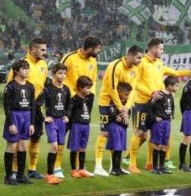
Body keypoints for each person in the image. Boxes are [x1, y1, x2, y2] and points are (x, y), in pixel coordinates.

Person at [129, 38, 191, 173]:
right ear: (153, 49)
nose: (162, 51)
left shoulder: (159, 63)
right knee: (140, 132)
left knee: (154, 133)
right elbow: (135, 83)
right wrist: (150, 93)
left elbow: (176, 73)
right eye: (161, 49)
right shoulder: (141, 63)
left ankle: (150, 163)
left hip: (157, 104)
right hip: (142, 102)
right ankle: (132, 163)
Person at [95, 45, 143, 176]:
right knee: (105, 133)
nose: (140, 60)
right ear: (130, 55)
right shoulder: (115, 66)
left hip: (124, 106)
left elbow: (132, 90)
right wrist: (121, 107)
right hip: (107, 103)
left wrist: (126, 108)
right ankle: (98, 166)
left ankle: (115, 167)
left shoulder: (135, 69)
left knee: (118, 134)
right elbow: (112, 89)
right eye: (139, 57)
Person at [5, 38, 48, 179]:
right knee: (18, 141)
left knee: (35, 137)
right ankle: (15, 171)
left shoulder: (43, 64)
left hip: (35, 108)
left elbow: (42, 85)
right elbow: (11, 85)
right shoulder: (22, 63)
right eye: (42, 49)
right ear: (33, 49)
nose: (44, 52)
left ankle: (32, 169)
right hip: (20, 109)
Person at [60, 37, 101, 173]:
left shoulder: (93, 61)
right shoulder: (70, 58)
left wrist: (91, 96)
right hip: (69, 100)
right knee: (62, 133)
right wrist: (72, 95)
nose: (98, 51)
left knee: (81, 135)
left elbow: (93, 80)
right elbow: (60, 75)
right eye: (97, 48)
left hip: (86, 100)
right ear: (90, 48)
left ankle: (79, 168)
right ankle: (56, 167)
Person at [2, 59, 36, 185]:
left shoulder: (30, 86)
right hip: (15, 116)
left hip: (26, 116)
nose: (27, 71)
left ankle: (21, 175)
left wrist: (31, 123)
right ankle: (8, 176)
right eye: (24, 68)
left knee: (23, 146)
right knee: (12, 145)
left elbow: (33, 105)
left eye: (28, 68)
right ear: (16, 70)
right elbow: (7, 106)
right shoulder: (10, 86)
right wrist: (11, 123)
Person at [41, 63, 70, 185]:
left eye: (64, 73)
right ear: (53, 74)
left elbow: (69, 104)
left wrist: (67, 115)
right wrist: (44, 118)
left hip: (61, 121)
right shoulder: (47, 89)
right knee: (53, 146)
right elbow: (37, 104)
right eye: (60, 73)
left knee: (58, 147)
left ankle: (52, 173)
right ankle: (49, 174)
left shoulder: (66, 89)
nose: (62, 76)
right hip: (52, 121)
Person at [147, 75, 178, 174]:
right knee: (157, 145)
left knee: (165, 145)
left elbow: (172, 106)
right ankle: (154, 167)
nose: (177, 88)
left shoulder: (171, 95)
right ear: (169, 85)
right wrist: (155, 117)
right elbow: (149, 108)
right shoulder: (159, 95)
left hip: (167, 122)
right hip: (158, 123)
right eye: (175, 86)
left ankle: (162, 167)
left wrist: (172, 114)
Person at [67, 75, 94, 179]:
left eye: (90, 87)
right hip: (76, 125)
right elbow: (71, 112)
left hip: (86, 124)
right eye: (87, 87)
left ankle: (82, 169)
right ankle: (74, 170)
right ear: (80, 87)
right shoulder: (74, 99)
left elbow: (89, 109)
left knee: (83, 148)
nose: (89, 90)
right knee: (75, 148)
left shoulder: (90, 97)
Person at [107, 82, 133, 176]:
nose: (128, 96)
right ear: (119, 92)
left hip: (122, 127)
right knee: (116, 148)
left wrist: (123, 118)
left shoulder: (126, 104)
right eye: (126, 94)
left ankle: (118, 168)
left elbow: (128, 113)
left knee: (120, 148)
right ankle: (114, 169)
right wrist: (119, 118)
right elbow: (112, 114)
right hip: (115, 127)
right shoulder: (114, 101)